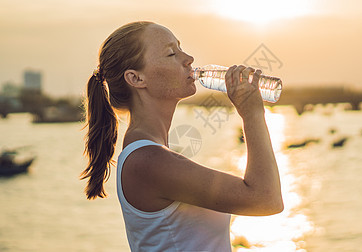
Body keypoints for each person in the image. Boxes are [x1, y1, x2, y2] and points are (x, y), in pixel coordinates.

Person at [81, 21, 283, 251]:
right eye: (171, 53)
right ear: (136, 78)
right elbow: (266, 199)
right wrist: (252, 113)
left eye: (181, 48)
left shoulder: (151, 154)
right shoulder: (147, 161)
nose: (188, 58)